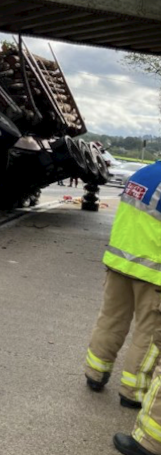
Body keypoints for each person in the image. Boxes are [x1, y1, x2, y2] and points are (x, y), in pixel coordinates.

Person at [84, 161, 161, 408]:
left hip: (119, 262)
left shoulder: (142, 173)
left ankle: (95, 373)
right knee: (148, 336)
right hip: (153, 272)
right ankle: (133, 391)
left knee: (110, 320)